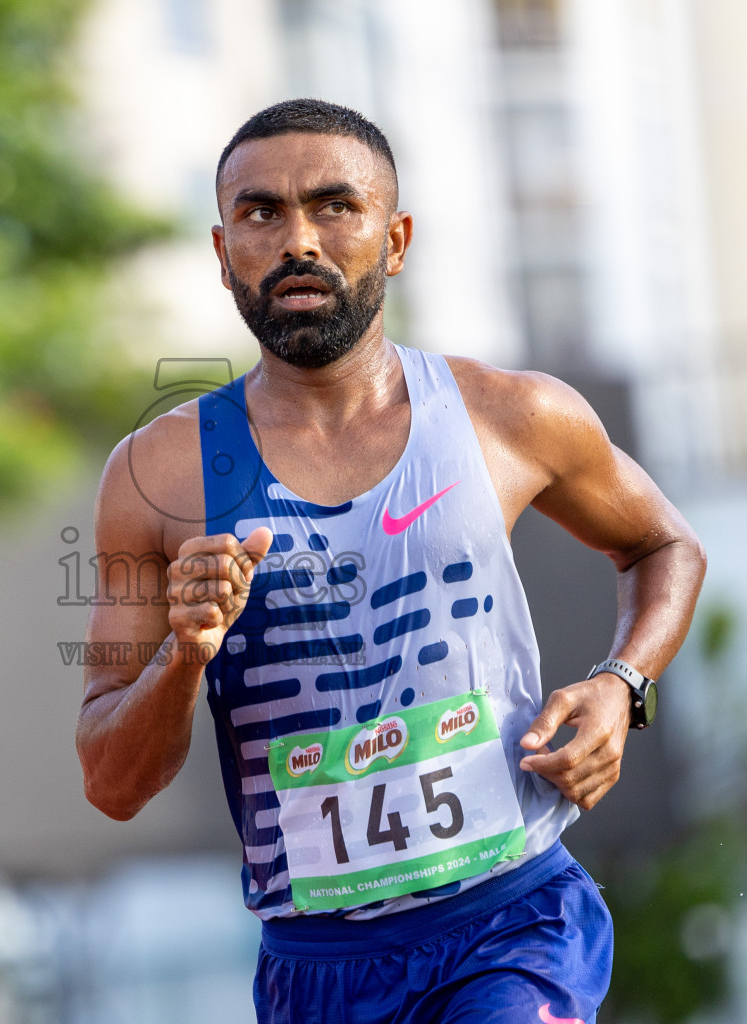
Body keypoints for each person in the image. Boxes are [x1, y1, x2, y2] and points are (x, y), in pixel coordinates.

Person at [74, 98, 706, 1024]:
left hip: (513, 920)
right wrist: (185, 653)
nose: (299, 240)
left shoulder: (510, 415)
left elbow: (664, 544)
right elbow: (111, 782)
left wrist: (623, 681)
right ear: (221, 254)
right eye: (262, 213)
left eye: (335, 206)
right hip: (317, 968)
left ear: (396, 238)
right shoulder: (154, 477)